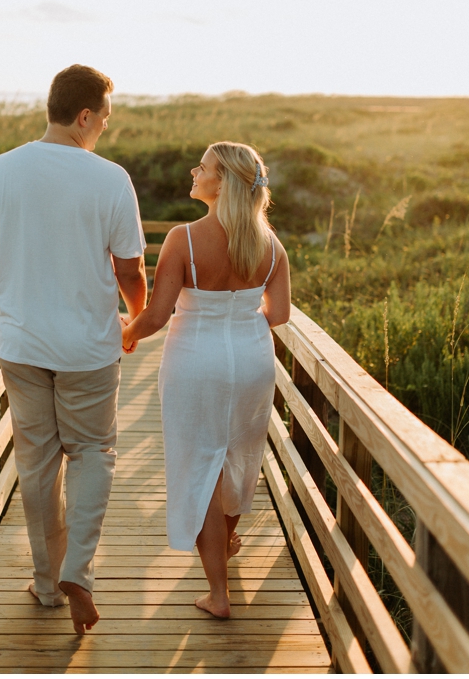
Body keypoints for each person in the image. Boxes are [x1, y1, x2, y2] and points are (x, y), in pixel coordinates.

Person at [0, 64, 147, 635]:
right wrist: (136, 317)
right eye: (104, 119)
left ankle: (46, 583)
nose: (105, 130)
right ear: (85, 115)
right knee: (92, 453)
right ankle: (79, 571)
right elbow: (130, 268)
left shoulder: (2, 169)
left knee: (36, 461)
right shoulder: (111, 179)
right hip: (89, 348)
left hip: (21, 344)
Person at [121, 141, 290, 619]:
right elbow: (279, 315)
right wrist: (240, 308)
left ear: (223, 183)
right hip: (253, 358)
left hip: (196, 359)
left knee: (200, 468)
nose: (195, 172)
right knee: (239, 457)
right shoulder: (271, 244)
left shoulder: (185, 238)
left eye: (205, 167)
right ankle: (226, 540)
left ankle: (218, 593)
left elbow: (156, 315)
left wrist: (127, 334)